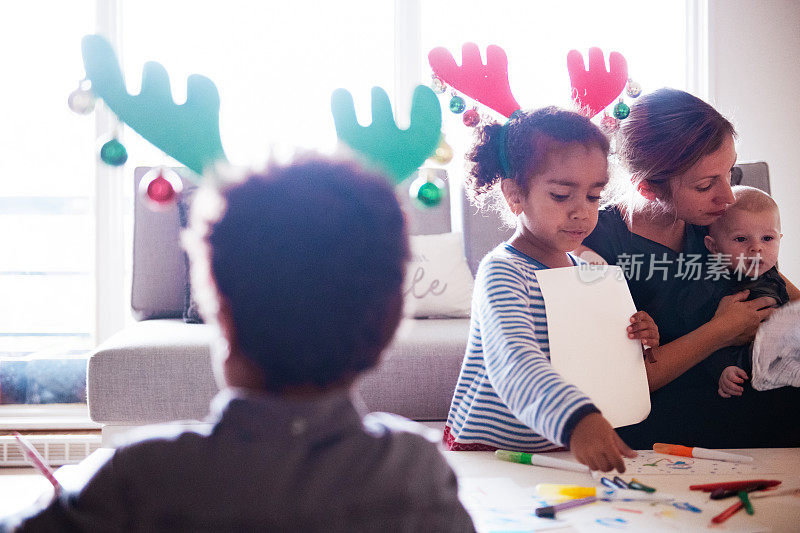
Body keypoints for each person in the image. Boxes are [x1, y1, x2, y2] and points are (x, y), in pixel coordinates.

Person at [2, 156, 475, 532]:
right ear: (390, 323)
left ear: (220, 312)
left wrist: (69, 498)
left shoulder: (139, 476)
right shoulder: (417, 474)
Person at [578, 88, 800, 448]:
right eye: (705, 185)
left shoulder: (717, 225)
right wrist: (722, 330)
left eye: (729, 173)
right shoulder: (597, 247)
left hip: (745, 397)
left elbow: (786, 294)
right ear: (648, 188)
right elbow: (624, 382)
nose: (728, 197)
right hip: (664, 422)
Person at [444, 107, 660, 473]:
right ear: (515, 195)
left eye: (594, 196)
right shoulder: (503, 271)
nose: (582, 212)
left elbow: (588, 355)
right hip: (493, 453)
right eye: (562, 195)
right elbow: (515, 362)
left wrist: (637, 338)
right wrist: (578, 420)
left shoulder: (586, 272)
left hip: (558, 448)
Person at [702, 186, 789, 397]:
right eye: (741, 239)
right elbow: (704, 338)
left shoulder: (771, 273)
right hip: (744, 367)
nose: (756, 248)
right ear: (713, 247)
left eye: (767, 238)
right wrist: (723, 369)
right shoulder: (712, 285)